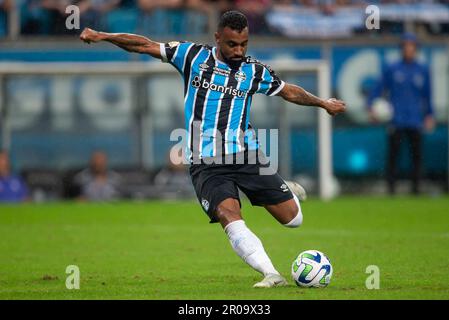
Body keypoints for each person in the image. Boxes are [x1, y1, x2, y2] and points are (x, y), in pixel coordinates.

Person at [80, 11, 346, 287]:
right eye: (232, 44)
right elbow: (144, 44)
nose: (239, 50)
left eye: (244, 44)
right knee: (228, 215)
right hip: (206, 162)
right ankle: (271, 273)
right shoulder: (192, 56)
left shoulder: (253, 70)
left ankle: (285, 190)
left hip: (247, 155)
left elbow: (287, 90)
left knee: (293, 220)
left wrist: (323, 103)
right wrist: (103, 36)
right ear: (217, 38)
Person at [367, 32, 434, 195]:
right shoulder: (392, 68)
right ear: (401, 48)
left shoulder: (423, 70)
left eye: (411, 46)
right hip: (396, 120)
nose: (408, 49)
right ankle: (391, 190)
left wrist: (429, 114)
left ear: (416, 49)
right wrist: (371, 108)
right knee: (393, 157)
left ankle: (416, 190)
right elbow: (377, 89)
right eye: (405, 46)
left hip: (415, 120)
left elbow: (428, 95)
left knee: (417, 157)